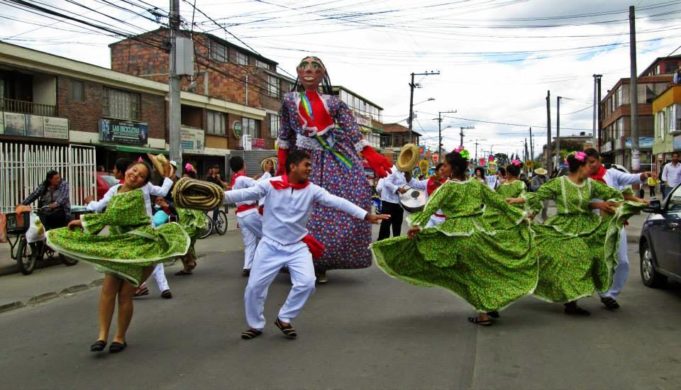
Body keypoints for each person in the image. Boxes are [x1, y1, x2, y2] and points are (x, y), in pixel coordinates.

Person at [224, 150, 389, 340]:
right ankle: (255, 324)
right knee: (254, 287)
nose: (309, 169)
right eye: (306, 165)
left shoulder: (312, 190)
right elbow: (242, 194)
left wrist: (366, 215)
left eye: (310, 166)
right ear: (293, 166)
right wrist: (214, 196)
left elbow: (338, 202)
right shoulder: (270, 184)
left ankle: (284, 318)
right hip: (269, 246)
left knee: (307, 283)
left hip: (296, 247)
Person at [371, 150, 536, 326]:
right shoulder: (477, 185)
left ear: (454, 168)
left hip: (457, 235)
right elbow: (499, 203)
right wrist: (522, 215)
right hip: (480, 232)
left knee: (468, 274)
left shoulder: (448, 187)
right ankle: (488, 305)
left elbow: (429, 208)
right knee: (484, 270)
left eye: (446, 165)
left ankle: (484, 313)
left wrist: (416, 226)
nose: (443, 168)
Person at [46, 161, 189, 353]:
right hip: (119, 245)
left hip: (139, 246)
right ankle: (102, 336)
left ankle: (119, 337)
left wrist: (83, 222)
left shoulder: (137, 195)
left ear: (143, 183)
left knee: (125, 294)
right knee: (107, 290)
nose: (135, 175)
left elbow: (113, 216)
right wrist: (89, 207)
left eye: (140, 176)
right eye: (134, 170)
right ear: (127, 170)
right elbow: (101, 208)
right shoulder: (114, 190)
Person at [276, 56, 392, 284]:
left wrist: (370, 155)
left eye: (315, 67)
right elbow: (285, 135)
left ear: (323, 73)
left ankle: (321, 263)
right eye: (305, 67)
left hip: (333, 161)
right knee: (297, 211)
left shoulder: (334, 103)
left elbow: (352, 131)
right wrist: (282, 167)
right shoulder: (289, 100)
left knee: (333, 209)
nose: (309, 70)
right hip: (302, 161)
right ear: (298, 72)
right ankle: (297, 261)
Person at [508, 152, 643, 316]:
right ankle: (569, 301)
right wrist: (518, 200)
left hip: (587, 225)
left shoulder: (591, 184)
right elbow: (539, 195)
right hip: (564, 226)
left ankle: (582, 297)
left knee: (593, 256)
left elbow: (612, 193)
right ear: (581, 167)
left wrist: (631, 202)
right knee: (566, 257)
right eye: (588, 165)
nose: (591, 168)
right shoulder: (559, 183)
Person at [585, 148, 651, 310]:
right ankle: (602, 292)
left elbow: (630, 178)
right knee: (597, 261)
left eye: (592, 162)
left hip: (614, 222)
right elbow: (578, 202)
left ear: (599, 160)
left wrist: (643, 176)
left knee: (622, 260)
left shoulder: (611, 174)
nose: (590, 165)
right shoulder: (582, 178)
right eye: (586, 163)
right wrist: (597, 204)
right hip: (591, 225)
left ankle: (611, 294)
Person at [229, 156, 263, 277]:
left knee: (249, 242)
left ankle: (247, 267)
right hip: (250, 213)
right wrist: (267, 176)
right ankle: (279, 263)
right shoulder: (242, 178)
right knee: (268, 236)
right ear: (243, 165)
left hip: (241, 215)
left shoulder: (235, 180)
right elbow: (260, 185)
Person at [378, 167, 427, 240]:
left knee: (397, 224)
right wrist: (398, 189)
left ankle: (397, 242)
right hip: (389, 201)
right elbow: (387, 183)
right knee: (386, 224)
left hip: (400, 202)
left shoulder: (405, 173)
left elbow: (410, 184)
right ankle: (382, 243)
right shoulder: (392, 170)